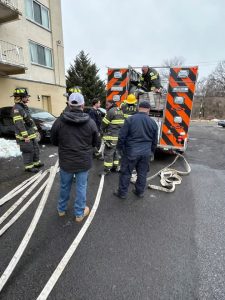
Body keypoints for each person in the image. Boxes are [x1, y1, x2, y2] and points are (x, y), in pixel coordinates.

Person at [51, 92, 99, 222]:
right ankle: (79, 214)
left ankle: (61, 209)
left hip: (66, 161)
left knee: (64, 186)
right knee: (81, 187)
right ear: (83, 105)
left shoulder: (60, 121)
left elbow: (54, 140)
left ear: (69, 104)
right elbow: (96, 142)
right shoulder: (90, 122)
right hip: (83, 162)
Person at [114, 100, 158, 199]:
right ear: (149, 110)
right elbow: (155, 141)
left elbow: (122, 136)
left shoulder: (130, 120)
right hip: (146, 153)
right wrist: (151, 152)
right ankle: (139, 192)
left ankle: (122, 193)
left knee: (126, 172)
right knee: (142, 173)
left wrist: (119, 149)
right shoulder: (153, 123)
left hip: (131, 152)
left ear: (138, 108)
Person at [11, 88, 44, 173]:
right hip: (24, 136)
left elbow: (29, 120)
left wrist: (35, 130)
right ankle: (29, 167)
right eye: (26, 97)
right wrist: (25, 136)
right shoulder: (17, 109)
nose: (27, 99)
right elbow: (19, 124)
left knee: (35, 148)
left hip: (31, 133)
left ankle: (36, 163)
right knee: (28, 151)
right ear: (20, 98)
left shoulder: (23, 107)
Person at [101, 99, 125, 175]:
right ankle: (115, 166)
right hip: (119, 136)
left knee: (108, 153)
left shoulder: (110, 111)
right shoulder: (120, 111)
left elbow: (104, 123)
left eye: (107, 105)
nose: (106, 107)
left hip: (111, 137)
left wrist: (101, 130)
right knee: (116, 152)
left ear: (111, 104)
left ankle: (107, 169)